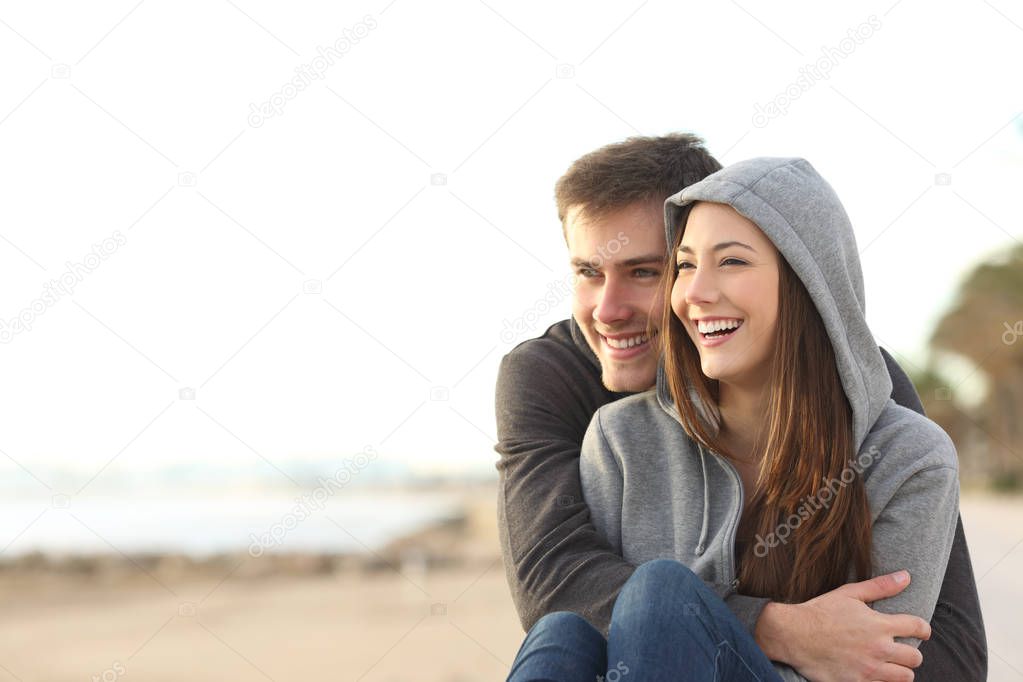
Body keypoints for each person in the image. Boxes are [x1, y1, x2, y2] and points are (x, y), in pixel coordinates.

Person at [495, 136, 986, 680]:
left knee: (657, 593)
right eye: (589, 272)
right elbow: (552, 582)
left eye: (645, 272)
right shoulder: (600, 421)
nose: (608, 310)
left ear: (805, 280)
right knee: (563, 634)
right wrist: (777, 627)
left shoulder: (884, 419)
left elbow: (944, 649)